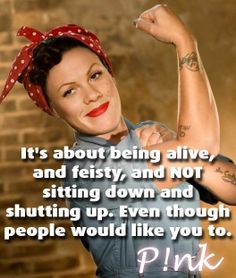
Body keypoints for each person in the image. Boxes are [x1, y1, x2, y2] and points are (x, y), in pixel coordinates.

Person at [1, 3, 235, 277]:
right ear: (52, 109)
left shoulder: (153, 134)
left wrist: (182, 148)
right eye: (69, 92)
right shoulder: (86, 170)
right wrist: (185, 41)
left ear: (110, 73)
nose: (91, 95)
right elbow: (199, 148)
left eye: (95, 75)